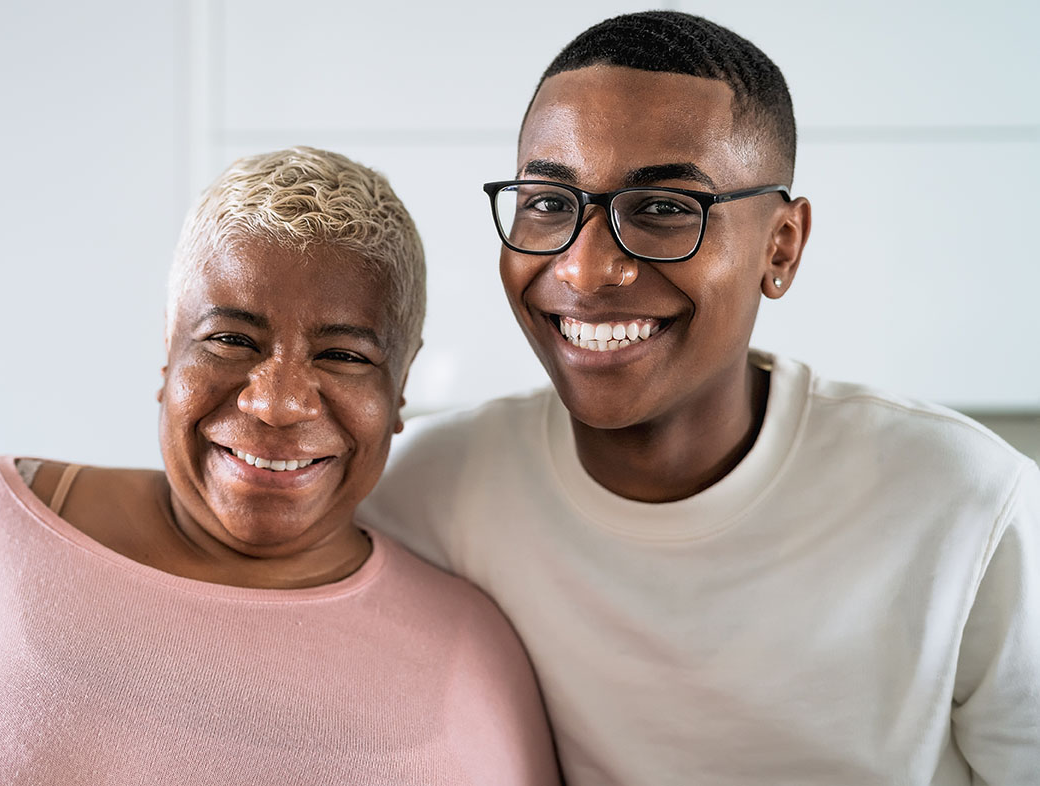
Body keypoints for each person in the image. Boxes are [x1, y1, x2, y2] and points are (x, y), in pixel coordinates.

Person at [359, 11, 1040, 785]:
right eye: (548, 204)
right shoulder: (423, 495)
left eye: (663, 210)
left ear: (779, 247)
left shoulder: (968, 504)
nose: (585, 272)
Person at [0, 147, 560, 784]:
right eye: (230, 339)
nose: (279, 403)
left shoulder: (473, 654)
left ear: (398, 389)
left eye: (343, 355)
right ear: (169, 355)